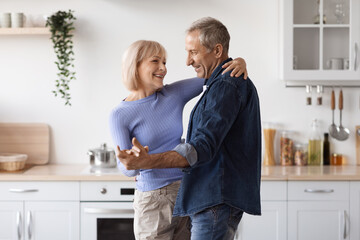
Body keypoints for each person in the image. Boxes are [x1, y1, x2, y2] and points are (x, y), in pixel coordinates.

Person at [117, 17, 262, 240]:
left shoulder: (223, 84)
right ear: (135, 67)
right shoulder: (120, 113)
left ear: (216, 50)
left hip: (210, 196)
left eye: (193, 52)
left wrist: (240, 61)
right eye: (155, 61)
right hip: (186, 196)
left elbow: (201, 146)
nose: (186, 61)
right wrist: (136, 165)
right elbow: (128, 167)